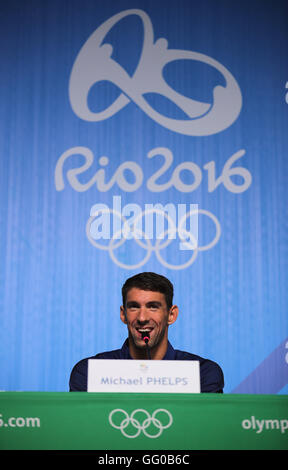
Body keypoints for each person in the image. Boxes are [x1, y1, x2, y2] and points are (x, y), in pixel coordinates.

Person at [69, 272, 224, 392]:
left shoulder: (202, 374)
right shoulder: (89, 372)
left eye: (153, 306)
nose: (142, 318)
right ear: (123, 314)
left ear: (171, 315)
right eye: (134, 307)